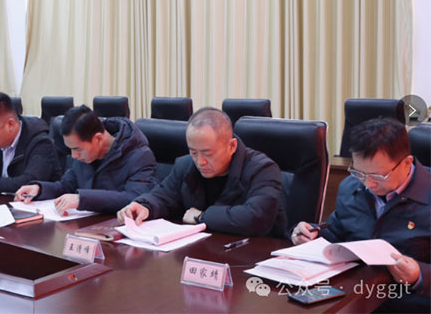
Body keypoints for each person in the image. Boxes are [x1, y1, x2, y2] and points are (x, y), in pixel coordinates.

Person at [291, 118, 429, 311]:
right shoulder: (351, 187)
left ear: (407, 163)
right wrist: (311, 234)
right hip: (356, 296)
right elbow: (336, 233)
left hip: (411, 303)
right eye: (360, 172)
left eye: (378, 176)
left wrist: (420, 275)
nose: (368, 184)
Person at [117, 107, 286, 237]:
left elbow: (256, 218)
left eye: (208, 153)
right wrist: (144, 206)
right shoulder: (185, 165)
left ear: (232, 146)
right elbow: (163, 196)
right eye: (193, 152)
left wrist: (202, 217)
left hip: (253, 254)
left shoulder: (262, 169)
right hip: (203, 250)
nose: (200, 161)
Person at [15, 105, 156, 214]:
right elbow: (65, 186)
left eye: (78, 149)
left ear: (98, 139)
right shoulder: (84, 155)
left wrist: (82, 199)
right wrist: (39, 189)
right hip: (85, 227)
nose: (74, 156)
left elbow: (134, 198)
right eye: (71, 149)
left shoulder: (140, 155)